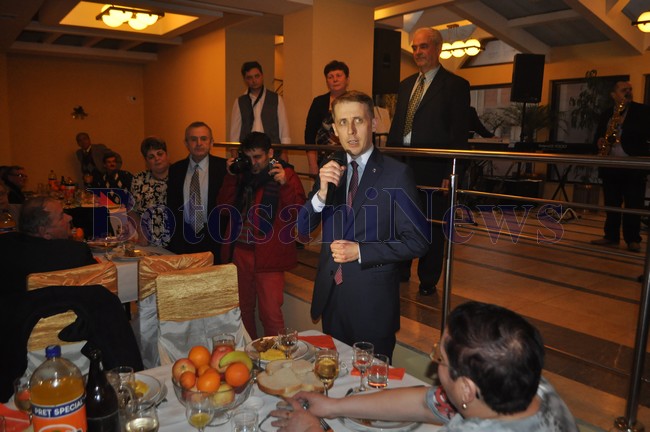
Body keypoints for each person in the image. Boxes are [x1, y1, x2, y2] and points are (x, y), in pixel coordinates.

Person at [271, 301, 579, 432]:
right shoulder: (532, 388)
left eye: (440, 358)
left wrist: (315, 429)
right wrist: (333, 406)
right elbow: (425, 402)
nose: (435, 364)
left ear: (467, 389)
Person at [298, 91, 429, 359]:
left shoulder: (396, 174)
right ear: (335, 130)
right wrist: (321, 194)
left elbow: (418, 241)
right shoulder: (330, 167)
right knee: (335, 377)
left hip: (373, 306)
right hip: (332, 300)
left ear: (373, 123)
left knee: (371, 382)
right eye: (343, 122)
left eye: (358, 120)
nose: (351, 130)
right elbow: (301, 229)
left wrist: (361, 251)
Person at [0, 196, 144, 400]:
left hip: (12, 346)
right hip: (69, 351)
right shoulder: (74, 253)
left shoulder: (5, 247)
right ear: (45, 232)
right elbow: (100, 297)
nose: (69, 218)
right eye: (61, 216)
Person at [387, 27, 470, 296]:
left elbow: (459, 134)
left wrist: (450, 171)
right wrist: (388, 164)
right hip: (403, 166)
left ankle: (428, 279)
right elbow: (397, 127)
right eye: (414, 47)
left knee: (432, 226)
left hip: (435, 169)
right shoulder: (405, 85)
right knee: (400, 221)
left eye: (423, 46)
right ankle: (400, 270)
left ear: (437, 48)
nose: (417, 52)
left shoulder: (455, 86)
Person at [217, 132, 306, 338]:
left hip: (270, 254)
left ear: (270, 153)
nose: (253, 163)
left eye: (257, 157)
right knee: (243, 310)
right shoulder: (240, 174)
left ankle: (275, 358)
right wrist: (230, 177)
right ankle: (249, 354)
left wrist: (284, 185)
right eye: (248, 157)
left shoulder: (286, 174)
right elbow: (222, 208)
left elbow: (298, 214)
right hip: (239, 251)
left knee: (271, 315)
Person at [590, 81, 650, 253]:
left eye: (630, 89)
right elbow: (598, 134)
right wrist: (599, 141)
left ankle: (633, 239)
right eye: (624, 90)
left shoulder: (643, 111)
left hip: (633, 164)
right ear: (613, 94)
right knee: (611, 202)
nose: (628, 92)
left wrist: (622, 123)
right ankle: (611, 236)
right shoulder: (607, 113)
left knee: (633, 203)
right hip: (611, 164)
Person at [166, 121, 228, 263]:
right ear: (186, 143)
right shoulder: (176, 170)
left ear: (211, 142)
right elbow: (172, 207)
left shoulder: (224, 168)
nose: (199, 143)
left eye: (204, 139)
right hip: (184, 240)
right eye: (193, 139)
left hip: (216, 240)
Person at [230, 61, 291, 160]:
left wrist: (284, 153)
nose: (254, 80)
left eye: (257, 76)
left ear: (262, 76)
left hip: (272, 151)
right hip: (248, 152)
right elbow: (234, 132)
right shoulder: (239, 102)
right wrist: (234, 154)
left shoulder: (276, 99)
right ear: (245, 80)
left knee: (273, 170)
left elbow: (284, 128)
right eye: (249, 77)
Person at [304, 60, 350, 175]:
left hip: (350, 160)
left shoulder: (356, 101)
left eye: (339, 75)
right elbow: (309, 134)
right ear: (326, 81)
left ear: (347, 79)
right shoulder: (318, 102)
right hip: (324, 162)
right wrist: (312, 164)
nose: (335, 80)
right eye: (330, 77)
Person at [129, 136, 171, 247]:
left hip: (176, 241)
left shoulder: (179, 175)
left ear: (167, 155)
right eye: (151, 156)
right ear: (146, 161)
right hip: (148, 241)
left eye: (160, 154)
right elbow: (131, 210)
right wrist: (141, 232)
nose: (157, 158)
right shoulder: (139, 179)